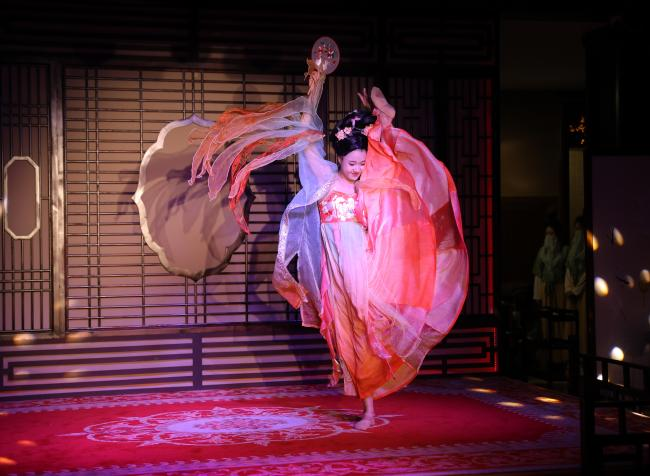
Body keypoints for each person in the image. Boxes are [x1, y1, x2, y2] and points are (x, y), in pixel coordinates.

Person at [189, 59, 468, 430]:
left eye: (362, 163)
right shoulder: (323, 176)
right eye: (352, 163)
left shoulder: (367, 184)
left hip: (363, 266)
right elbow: (307, 132)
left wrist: (382, 118)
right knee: (343, 331)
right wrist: (316, 84)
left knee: (365, 327)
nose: (357, 169)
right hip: (333, 271)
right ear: (339, 158)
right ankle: (365, 402)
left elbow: (390, 160)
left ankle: (369, 408)